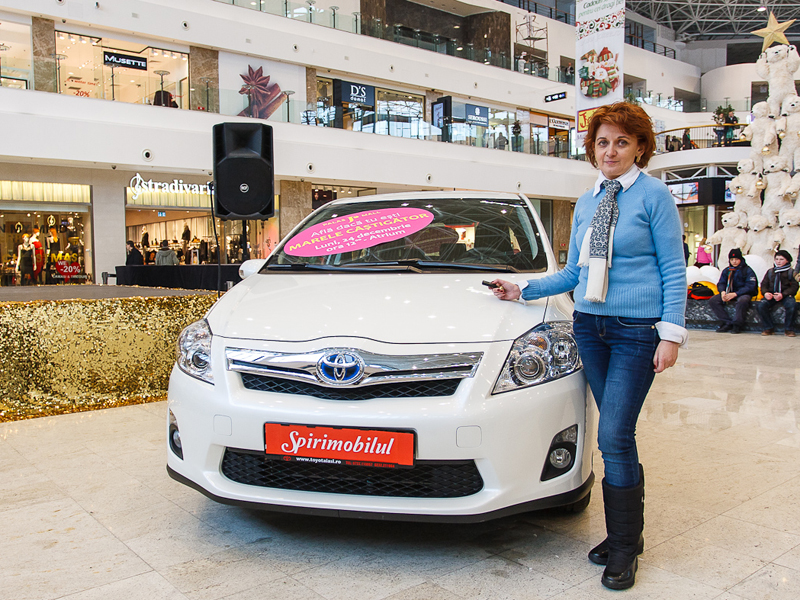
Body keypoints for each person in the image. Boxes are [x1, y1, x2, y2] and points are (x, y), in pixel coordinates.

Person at [490, 102, 687, 591]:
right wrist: (523, 289)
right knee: (617, 435)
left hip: (636, 330)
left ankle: (622, 547)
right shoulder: (587, 202)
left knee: (614, 435)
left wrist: (671, 334)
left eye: (621, 142)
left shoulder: (654, 196)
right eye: (602, 142)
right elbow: (574, 273)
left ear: (640, 147)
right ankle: (627, 535)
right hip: (590, 327)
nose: (610, 151)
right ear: (592, 149)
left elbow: (673, 269)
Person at [708, 248, 757, 333]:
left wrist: (736, 294)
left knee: (743, 301)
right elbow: (721, 283)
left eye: (736, 259)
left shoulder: (747, 270)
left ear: (740, 259)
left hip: (742, 293)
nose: (734, 261)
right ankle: (727, 322)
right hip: (728, 292)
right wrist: (722, 292)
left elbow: (750, 286)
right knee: (713, 300)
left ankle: (737, 324)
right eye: (732, 259)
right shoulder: (727, 270)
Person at [757, 250, 798, 336]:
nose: (778, 261)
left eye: (781, 259)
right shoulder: (770, 272)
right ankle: (768, 328)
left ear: (787, 260)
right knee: (761, 305)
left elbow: (794, 287)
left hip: (786, 295)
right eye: (777, 259)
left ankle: (789, 329)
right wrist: (766, 293)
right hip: (772, 295)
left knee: (791, 305)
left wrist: (783, 294)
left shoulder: (791, 272)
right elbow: (764, 284)